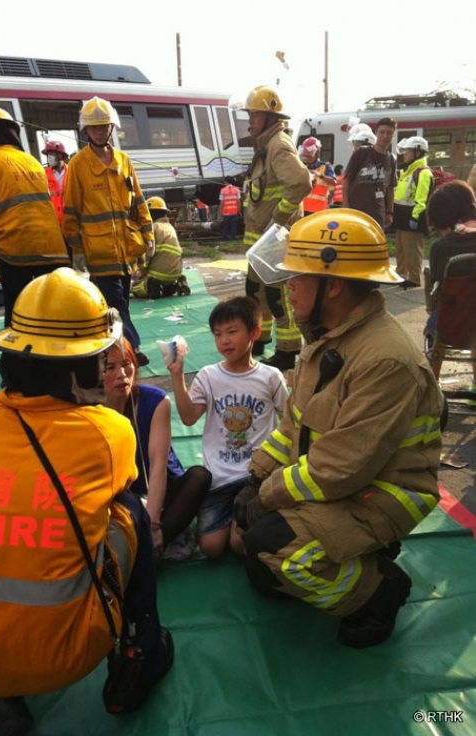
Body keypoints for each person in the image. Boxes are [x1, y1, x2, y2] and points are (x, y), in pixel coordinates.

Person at [0, 268, 173, 735]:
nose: (107, 369)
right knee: (131, 510)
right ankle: (141, 654)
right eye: (101, 359)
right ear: (79, 368)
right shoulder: (111, 432)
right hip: (66, 655)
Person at [233, 208, 442, 649]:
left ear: (336, 286)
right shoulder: (328, 336)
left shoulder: (384, 359)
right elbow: (295, 423)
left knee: (276, 553)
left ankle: (379, 590)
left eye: (298, 278)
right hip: (344, 482)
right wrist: (256, 475)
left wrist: (269, 495)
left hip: (382, 492)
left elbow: (341, 467)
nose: (288, 288)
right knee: (251, 547)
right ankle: (356, 554)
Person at [168, 296, 288, 558]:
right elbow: (188, 418)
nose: (224, 340)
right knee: (210, 548)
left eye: (232, 331)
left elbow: (290, 422)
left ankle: (243, 522)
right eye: (218, 334)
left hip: (257, 477)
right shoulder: (209, 376)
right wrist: (177, 376)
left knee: (239, 544)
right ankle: (237, 518)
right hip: (219, 479)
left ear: (254, 332)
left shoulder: (270, 377)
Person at [63, 97, 154, 367]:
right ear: (86, 131)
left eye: (104, 126)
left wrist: (148, 235)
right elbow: (71, 212)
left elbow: (138, 200)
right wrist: (78, 251)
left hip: (126, 250)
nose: (100, 131)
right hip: (98, 252)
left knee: (120, 303)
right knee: (117, 306)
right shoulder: (78, 165)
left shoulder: (123, 161)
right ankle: (131, 349)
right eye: (95, 127)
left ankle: (112, 349)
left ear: (112, 127)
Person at [104, 337, 212, 558]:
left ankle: (149, 546)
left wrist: (153, 526)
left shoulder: (155, 401)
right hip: (122, 497)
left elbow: (158, 465)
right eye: (110, 367)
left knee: (199, 477)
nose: (122, 374)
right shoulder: (88, 407)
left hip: (161, 492)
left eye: (126, 364)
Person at [0, 107, 70, 326]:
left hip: (15, 251)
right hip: (53, 249)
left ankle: (19, 358)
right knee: (54, 311)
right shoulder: (32, 161)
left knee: (17, 311)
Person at [241, 85, 312, 372]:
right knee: (255, 291)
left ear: (271, 117)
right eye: (250, 114)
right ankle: (261, 338)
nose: (250, 120)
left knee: (277, 295)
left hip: (273, 238)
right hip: (260, 239)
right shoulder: (265, 145)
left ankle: (288, 350)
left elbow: (300, 182)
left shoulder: (278, 145)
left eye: (255, 115)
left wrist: (278, 220)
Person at [425, 180, 476, 394]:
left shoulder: (441, 248)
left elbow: (435, 288)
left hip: (452, 323)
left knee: (437, 319)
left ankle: (431, 388)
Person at [393, 136, 434, 287]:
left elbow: (421, 199)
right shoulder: (408, 171)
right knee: (401, 249)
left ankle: (415, 279)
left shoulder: (423, 172)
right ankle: (401, 274)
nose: (404, 154)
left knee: (412, 250)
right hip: (402, 217)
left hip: (412, 217)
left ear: (417, 152)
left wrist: (415, 217)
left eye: (408, 151)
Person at [342, 117, 397, 229]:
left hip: (378, 215)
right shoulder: (362, 153)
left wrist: (389, 212)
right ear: (376, 133)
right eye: (382, 132)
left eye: (389, 133)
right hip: (356, 212)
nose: (385, 136)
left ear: (393, 135)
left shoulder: (391, 159)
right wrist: (346, 204)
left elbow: (390, 188)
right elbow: (346, 179)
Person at [131, 196, 190, 299]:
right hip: (175, 273)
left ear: (150, 214)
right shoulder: (170, 228)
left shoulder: (153, 228)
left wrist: (142, 270)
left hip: (157, 275)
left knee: (136, 287)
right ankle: (174, 285)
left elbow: (149, 253)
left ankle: (149, 286)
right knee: (167, 289)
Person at [298, 137, 336, 216]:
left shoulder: (326, 166)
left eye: (309, 156)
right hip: (302, 210)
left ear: (317, 153)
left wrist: (319, 175)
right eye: (306, 156)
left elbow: (334, 182)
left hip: (319, 211)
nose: (307, 159)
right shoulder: (302, 166)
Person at [42, 140, 69, 223]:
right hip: (53, 222)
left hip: (71, 221)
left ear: (61, 155)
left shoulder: (72, 172)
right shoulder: (43, 175)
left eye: (52, 154)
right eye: (48, 154)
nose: (50, 157)